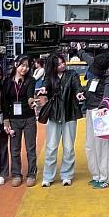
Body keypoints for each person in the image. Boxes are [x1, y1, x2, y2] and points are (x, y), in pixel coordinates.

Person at [39, 53, 84, 187]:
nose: (62, 65)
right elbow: (46, 85)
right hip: (54, 113)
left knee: (69, 147)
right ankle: (48, 176)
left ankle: (67, 175)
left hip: (70, 113)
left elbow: (77, 86)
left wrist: (79, 93)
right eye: (58, 64)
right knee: (51, 147)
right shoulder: (49, 77)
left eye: (63, 62)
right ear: (53, 66)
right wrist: (44, 89)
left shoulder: (72, 74)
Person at [79, 50, 109, 189]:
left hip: (102, 113)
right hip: (90, 111)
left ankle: (106, 177)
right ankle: (96, 174)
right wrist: (83, 93)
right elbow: (86, 57)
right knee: (90, 145)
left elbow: (108, 93)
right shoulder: (96, 66)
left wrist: (103, 106)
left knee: (103, 147)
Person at [3, 55, 37, 187]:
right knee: (15, 149)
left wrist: (31, 102)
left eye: (27, 66)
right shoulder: (7, 81)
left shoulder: (31, 80)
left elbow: (30, 95)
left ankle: (31, 174)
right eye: (22, 65)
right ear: (16, 64)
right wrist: (6, 120)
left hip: (29, 118)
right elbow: (5, 102)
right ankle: (16, 174)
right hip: (13, 119)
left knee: (31, 148)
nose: (25, 69)